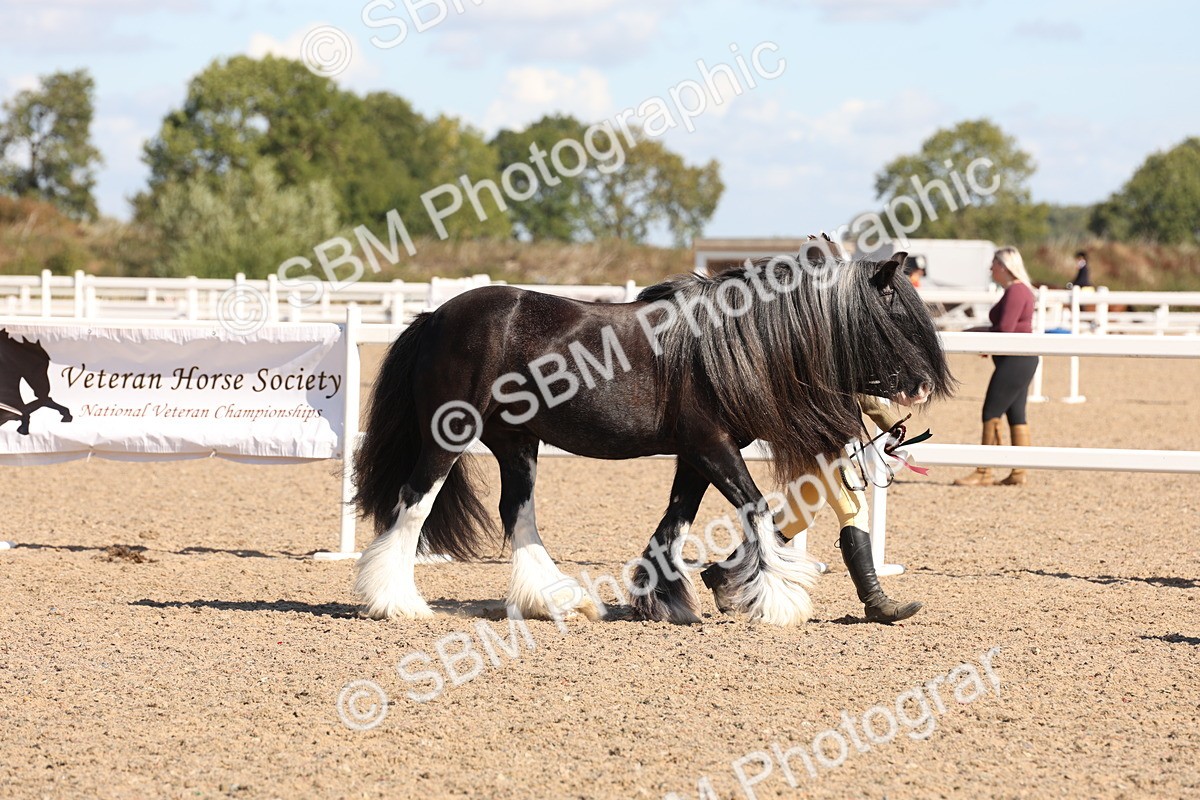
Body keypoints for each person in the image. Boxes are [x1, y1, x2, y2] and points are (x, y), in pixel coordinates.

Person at [774, 395, 922, 624]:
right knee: (853, 510)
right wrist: (887, 420)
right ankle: (875, 601)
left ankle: (726, 574)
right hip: (819, 428)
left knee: (797, 517)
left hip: (803, 424)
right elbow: (851, 376)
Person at [954, 247, 1038, 487]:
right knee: (1016, 415)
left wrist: (973, 335)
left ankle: (984, 470)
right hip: (1019, 359)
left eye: (994, 264)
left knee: (990, 412)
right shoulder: (1018, 290)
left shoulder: (1016, 292)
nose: (991, 268)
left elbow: (1003, 331)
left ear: (1004, 266)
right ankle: (1019, 471)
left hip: (1015, 360)